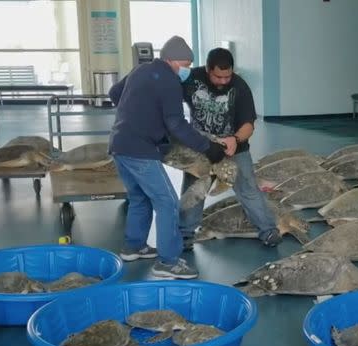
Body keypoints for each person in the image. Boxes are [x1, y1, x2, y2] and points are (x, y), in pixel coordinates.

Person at [107, 36, 233, 279]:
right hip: (140, 150)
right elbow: (176, 124)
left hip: (119, 144)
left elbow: (114, 93)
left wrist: (138, 111)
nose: (186, 70)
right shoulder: (169, 81)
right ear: (170, 60)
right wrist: (207, 147)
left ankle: (134, 246)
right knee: (166, 201)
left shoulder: (141, 70)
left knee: (139, 197)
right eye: (184, 64)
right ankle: (168, 261)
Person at [179, 47, 282, 249]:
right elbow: (166, 96)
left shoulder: (240, 86)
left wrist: (235, 139)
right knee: (194, 191)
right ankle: (184, 235)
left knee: (248, 189)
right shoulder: (191, 79)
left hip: (234, 149)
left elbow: (249, 124)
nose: (224, 81)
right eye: (218, 76)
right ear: (208, 70)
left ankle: (268, 231)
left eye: (228, 76)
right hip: (201, 149)